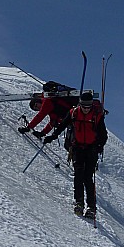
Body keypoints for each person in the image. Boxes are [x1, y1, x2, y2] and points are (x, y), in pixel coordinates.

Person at [45, 90, 107, 218]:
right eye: (83, 106)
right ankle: (79, 202)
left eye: (88, 107)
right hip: (78, 147)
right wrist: (52, 137)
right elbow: (62, 125)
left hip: (91, 149)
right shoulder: (73, 113)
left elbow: (103, 135)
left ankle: (91, 207)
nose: (85, 109)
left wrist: (99, 146)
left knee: (88, 177)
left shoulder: (97, 116)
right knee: (78, 175)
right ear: (80, 105)